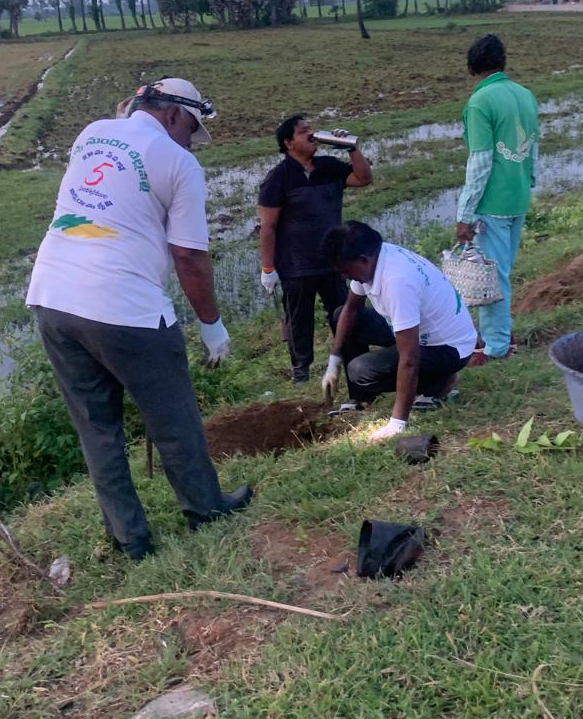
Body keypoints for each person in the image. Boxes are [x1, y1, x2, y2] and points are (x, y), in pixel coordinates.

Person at [26, 77, 252, 560]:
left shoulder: (92, 133)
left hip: (52, 298)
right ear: (173, 115)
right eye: (191, 128)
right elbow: (188, 255)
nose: (191, 140)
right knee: (173, 419)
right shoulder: (179, 163)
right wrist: (212, 326)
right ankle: (205, 508)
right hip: (125, 307)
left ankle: (130, 540)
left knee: (97, 429)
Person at [320, 221, 476, 440]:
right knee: (340, 315)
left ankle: (440, 381)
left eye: (345, 271)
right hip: (417, 329)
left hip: (447, 347)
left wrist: (397, 423)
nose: (343, 277)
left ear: (363, 260)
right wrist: (334, 359)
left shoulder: (397, 281)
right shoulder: (374, 258)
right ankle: (361, 399)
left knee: (360, 371)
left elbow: (409, 359)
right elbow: (351, 309)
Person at [258, 114, 373, 383]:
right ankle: (301, 372)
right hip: (296, 264)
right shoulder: (278, 178)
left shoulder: (329, 167)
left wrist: (351, 147)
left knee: (344, 312)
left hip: (334, 261)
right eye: (303, 131)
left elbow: (363, 178)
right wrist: (268, 268)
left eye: (311, 129)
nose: (312, 134)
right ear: (288, 143)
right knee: (299, 319)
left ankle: (355, 362)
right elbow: (267, 227)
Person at [455, 34, 539, 364]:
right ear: (503, 62)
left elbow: (480, 161)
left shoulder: (480, 102)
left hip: (492, 203)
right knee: (500, 272)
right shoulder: (525, 95)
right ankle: (500, 334)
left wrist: (464, 213)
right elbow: (533, 147)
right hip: (517, 197)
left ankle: (496, 346)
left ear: (471, 67)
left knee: (491, 278)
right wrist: (529, 182)